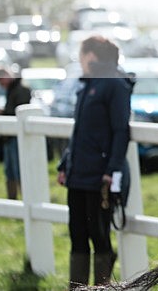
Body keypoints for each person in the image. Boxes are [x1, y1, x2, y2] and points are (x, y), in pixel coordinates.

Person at [57, 36, 133, 288]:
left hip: (99, 176)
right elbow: (81, 131)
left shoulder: (115, 86)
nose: (80, 60)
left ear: (91, 56)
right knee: (77, 236)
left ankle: (100, 287)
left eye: (82, 54)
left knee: (100, 237)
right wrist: (65, 164)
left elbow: (120, 131)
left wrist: (111, 170)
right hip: (78, 174)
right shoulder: (87, 85)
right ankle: (76, 287)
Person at [0, 67, 31, 200]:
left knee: (18, 169)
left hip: (17, 135)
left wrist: (3, 113)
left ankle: (24, 198)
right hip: (10, 136)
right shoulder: (13, 89)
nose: (1, 85)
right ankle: (13, 199)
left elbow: (19, 111)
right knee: (10, 170)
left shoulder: (21, 89)